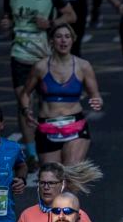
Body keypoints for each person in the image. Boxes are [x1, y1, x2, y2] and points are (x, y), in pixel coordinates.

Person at [2, 0, 76, 167]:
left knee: (48, 104)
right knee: (24, 104)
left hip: (44, 57)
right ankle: (32, 153)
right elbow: (8, 17)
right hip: (19, 56)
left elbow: (71, 15)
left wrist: (50, 24)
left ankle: (52, 143)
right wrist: (6, 23)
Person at [19, 23, 102, 166]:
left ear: (72, 40)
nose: (63, 40)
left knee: (71, 174)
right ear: (51, 41)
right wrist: (26, 111)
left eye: (67, 37)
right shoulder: (40, 67)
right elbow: (25, 94)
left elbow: (95, 94)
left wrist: (96, 101)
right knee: (51, 178)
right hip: (47, 127)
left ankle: (70, 187)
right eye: (59, 37)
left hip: (75, 125)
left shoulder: (83, 66)